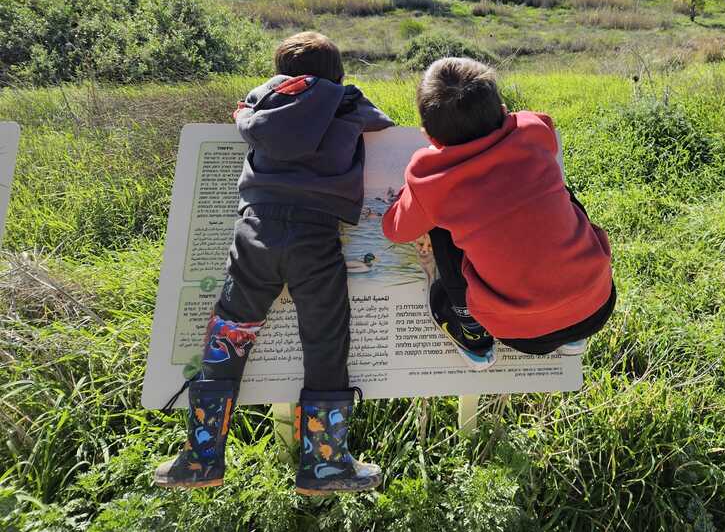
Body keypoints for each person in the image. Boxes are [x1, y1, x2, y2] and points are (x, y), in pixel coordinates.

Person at [154, 31, 392, 494]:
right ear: (338, 74)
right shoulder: (346, 103)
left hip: (256, 230)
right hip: (316, 237)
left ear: (282, 72)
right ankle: (324, 467)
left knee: (229, 335)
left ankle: (203, 459)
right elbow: (380, 120)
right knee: (325, 339)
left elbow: (242, 116)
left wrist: (254, 106)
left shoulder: (262, 100)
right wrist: (340, 94)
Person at [381, 57, 615, 370]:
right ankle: (573, 334)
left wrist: (413, 196)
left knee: (439, 227)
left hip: (523, 335)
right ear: (503, 110)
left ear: (429, 136)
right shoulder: (532, 131)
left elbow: (396, 230)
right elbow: (538, 127)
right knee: (558, 192)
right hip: (597, 305)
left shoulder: (429, 180)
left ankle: (473, 336)